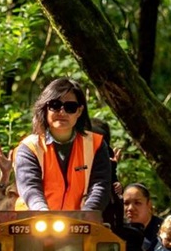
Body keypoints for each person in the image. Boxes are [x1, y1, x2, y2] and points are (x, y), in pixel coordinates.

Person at [14, 78, 110, 211]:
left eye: (70, 107)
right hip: (33, 224)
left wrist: (87, 215)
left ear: (79, 111)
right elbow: (30, 188)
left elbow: (100, 186)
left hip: (81, 224)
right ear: (45, 108)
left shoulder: (96, 144)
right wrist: (43, 213)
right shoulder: (29, 147)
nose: (62, 112)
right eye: (55, 105)